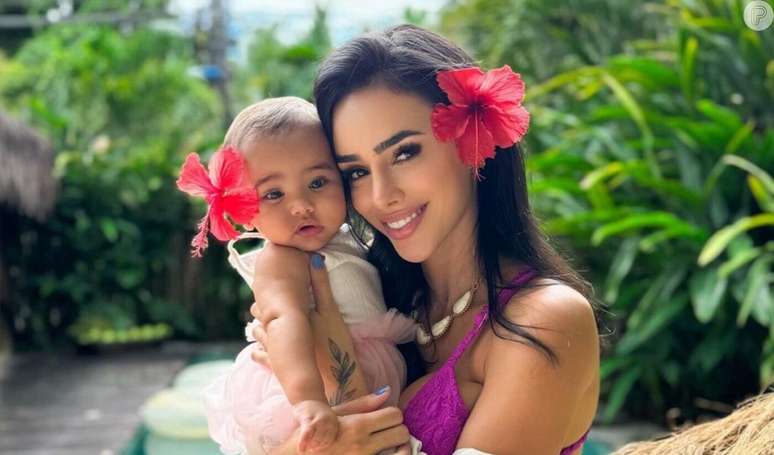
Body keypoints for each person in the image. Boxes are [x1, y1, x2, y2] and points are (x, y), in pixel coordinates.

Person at [247, 24, 602, 455]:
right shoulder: (369, 298)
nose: (381, 196)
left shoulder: (542, 322)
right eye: (356, 172)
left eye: (404, 153)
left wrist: (341, 382)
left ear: (471, 140)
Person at [178, 97, 415, 455]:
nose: (301, 205)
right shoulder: (281, 258)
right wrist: (308, 400)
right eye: (274, 193)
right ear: (246, 210)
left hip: (364, 372)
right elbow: (282, 320)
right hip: (302, 388)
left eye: (318, 182)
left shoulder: (351, 241)